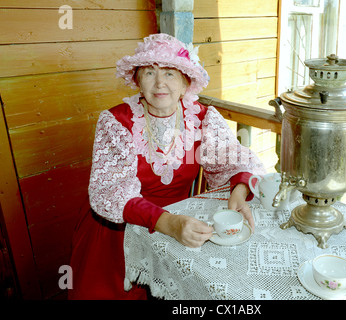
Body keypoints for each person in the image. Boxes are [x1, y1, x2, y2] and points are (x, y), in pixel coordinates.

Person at [68, 33, 265, 300]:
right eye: (150, 72)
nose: (160, 83)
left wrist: (239, 191)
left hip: (181, 222)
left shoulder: (203, 118)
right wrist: (168, 223)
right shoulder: (115, 122)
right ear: (138, 80)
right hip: (118, 231)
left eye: (170, 73)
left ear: (186, 83)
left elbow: (234, 158)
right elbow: (112, 191)